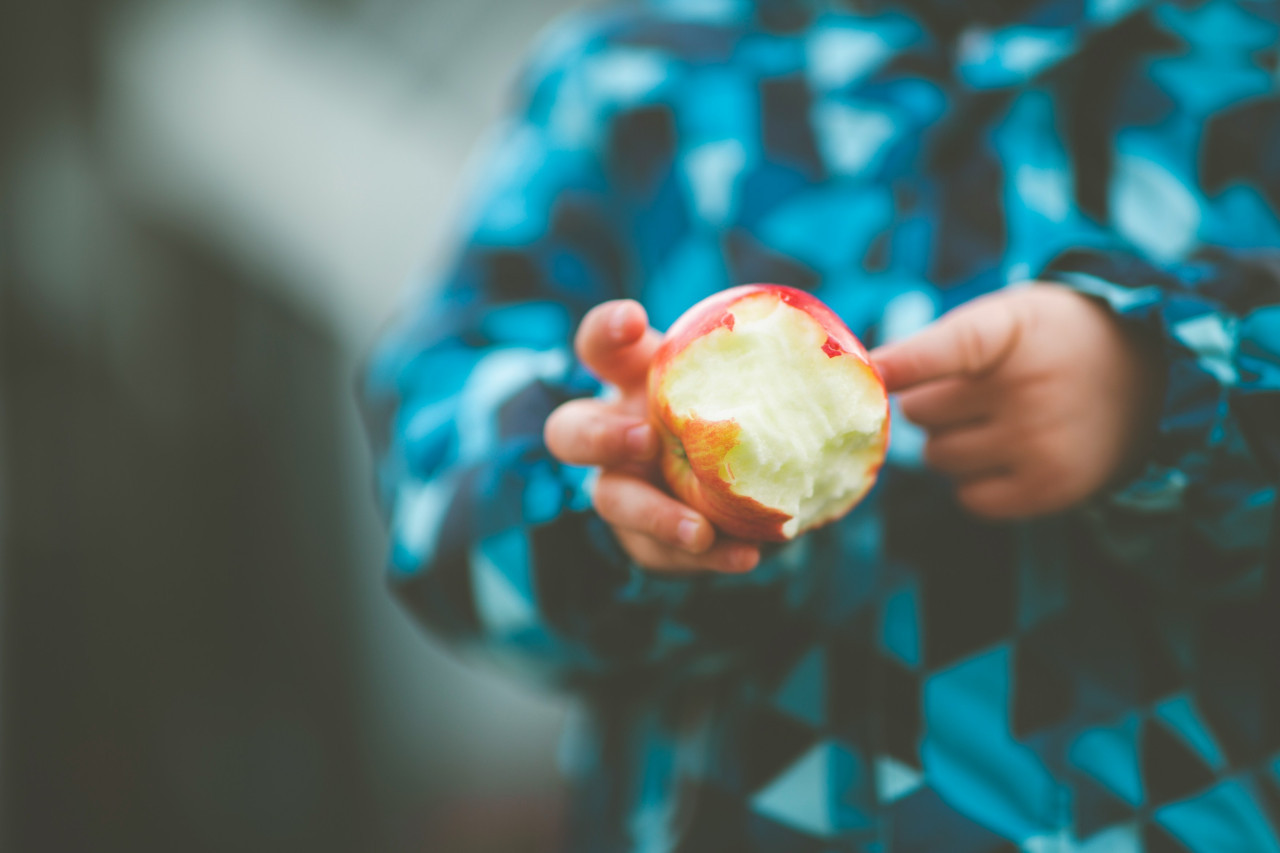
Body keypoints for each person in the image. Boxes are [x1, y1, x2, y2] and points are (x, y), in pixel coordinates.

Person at [361, 0, 1280, 849]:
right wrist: (593, 488)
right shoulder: (640, 76)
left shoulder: (1243, 65)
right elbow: (431, 446)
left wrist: (1170, 387)